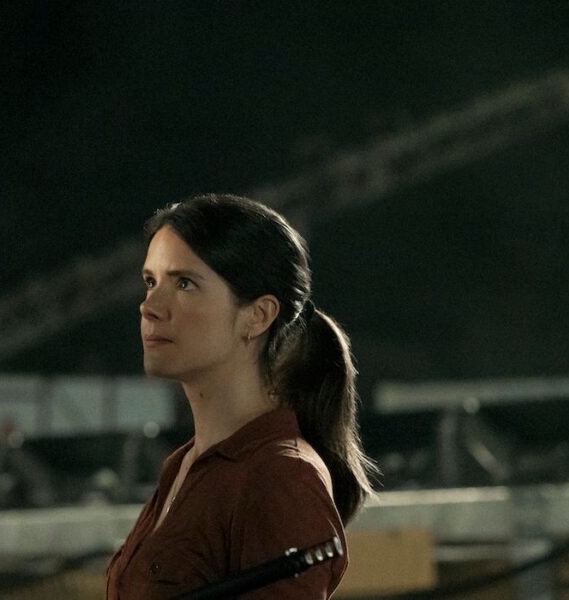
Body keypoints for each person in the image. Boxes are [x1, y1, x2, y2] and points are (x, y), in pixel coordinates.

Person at [106, 194, 375, 599]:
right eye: (150, 282)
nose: (150, 307)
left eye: (184, 283)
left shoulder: (281, 478)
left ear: (258, 315)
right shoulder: (183, 464)